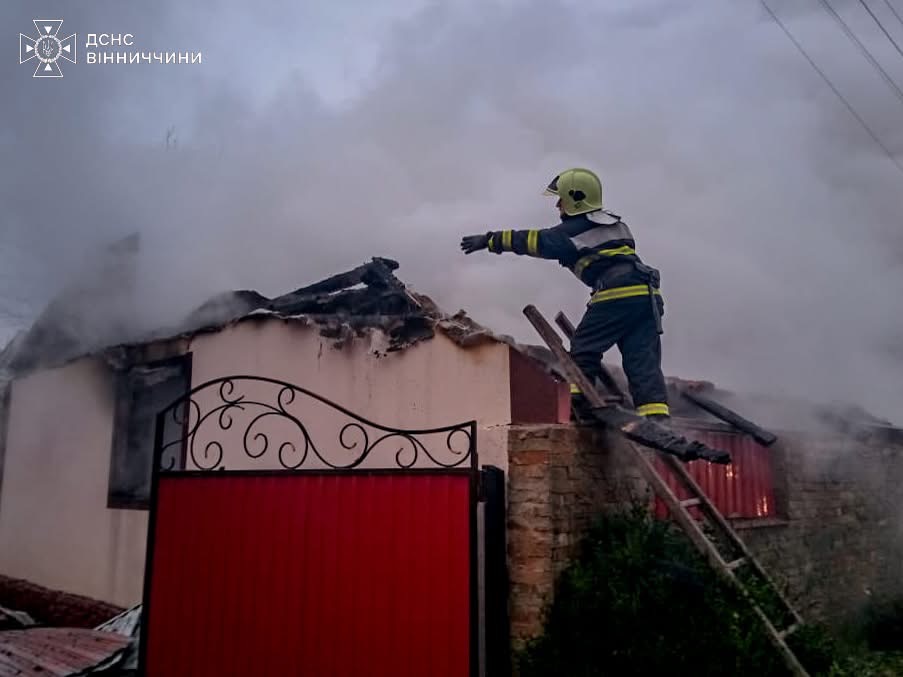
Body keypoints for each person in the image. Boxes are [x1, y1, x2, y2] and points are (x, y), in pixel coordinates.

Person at [460, 167, 669, 421]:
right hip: (647, 297)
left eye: (561, 199)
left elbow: (534, 241)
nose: (558, 205)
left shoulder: (573, 231)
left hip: (617, 294)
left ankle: (580, 407)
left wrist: (489, 240)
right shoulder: (617, 225)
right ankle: (657, 420)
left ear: (575, 198)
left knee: (584, 350)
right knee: (642, 362)